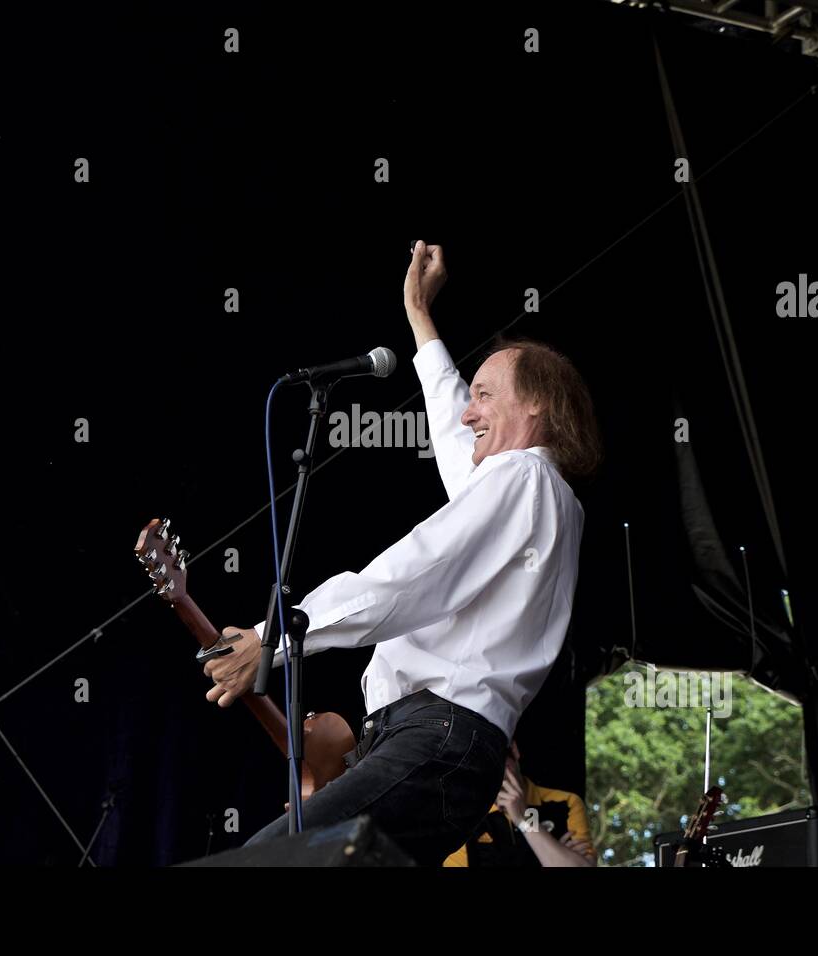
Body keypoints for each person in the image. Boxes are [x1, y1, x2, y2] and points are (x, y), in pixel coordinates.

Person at [203, 241, 601, 865]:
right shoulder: (532, 491)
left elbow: (415, 573)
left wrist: (275, 635)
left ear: (537, 405)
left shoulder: (523, 478)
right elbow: (452, 432)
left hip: (438, 737)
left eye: (486, 395)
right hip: (446, 750)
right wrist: (419, 315)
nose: (469, 411)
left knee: (271, 859)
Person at [444, 741, 597, 867]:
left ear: (514, 750)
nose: (492, 774)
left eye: (496, 761)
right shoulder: (463, 820)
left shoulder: (566, 803)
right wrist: (555, 853)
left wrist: (525, 820)